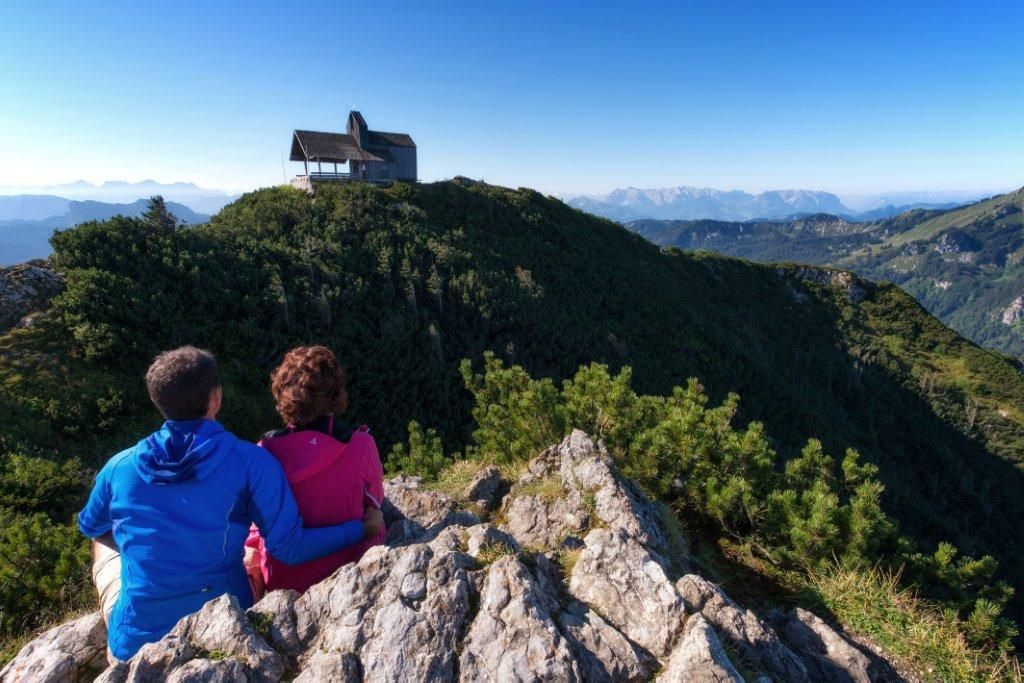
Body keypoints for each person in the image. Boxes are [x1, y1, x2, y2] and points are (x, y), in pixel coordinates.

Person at [77, 346, 384, 661]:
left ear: (158, 401)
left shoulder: (118, 467)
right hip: (223, 622)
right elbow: (288, 547)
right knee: (249, 545)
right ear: (216, 397)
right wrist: (360, 530)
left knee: (101, 538)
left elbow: (91, 526)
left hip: (133, 645)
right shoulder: (251, 462)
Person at [245, 346, 387, 595]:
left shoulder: (264, 452)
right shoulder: (360, 445)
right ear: (336, 394)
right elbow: (375, 505)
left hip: (283, 580)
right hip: (349, 568)